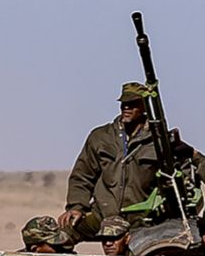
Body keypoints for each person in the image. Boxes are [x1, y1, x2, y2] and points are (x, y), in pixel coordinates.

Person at [59, 82, 174, 241]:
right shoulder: (101, 137)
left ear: (144, 107)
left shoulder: (159, 141)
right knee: (59, 234)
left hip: (141, 222)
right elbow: (82, 175)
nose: (126, 108)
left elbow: (175, 175)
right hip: (103, 216)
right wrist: (76, 207)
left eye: (132, 104)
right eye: (124, 104)